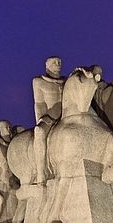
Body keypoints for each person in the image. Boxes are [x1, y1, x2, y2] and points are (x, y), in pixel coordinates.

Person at [32, 56, 65, 184]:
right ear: (47, 66)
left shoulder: (66, 81)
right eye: (54, 63)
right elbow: (39, 103)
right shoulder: (39, 81)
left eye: (59, 62)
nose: (58, 64)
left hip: (66, 117)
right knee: (39, 131)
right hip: (48, 118)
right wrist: (42, 119)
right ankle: (41, 171)